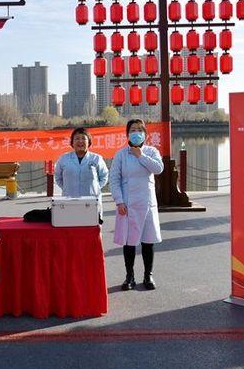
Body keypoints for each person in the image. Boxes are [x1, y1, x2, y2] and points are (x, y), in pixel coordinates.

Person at [110, 119, 164, 291]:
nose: (136, 133)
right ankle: (130, 276)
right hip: (128, 203)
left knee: (148, 241)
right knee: (129, 241)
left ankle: (148, 275)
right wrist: (119, 201)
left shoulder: (151, 151)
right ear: (127, 134)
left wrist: (140, 155)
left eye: (139, 130)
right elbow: (114, 180)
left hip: (146, 202)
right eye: (133, 130)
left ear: (145, 134)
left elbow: (158, 169)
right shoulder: (121, 155)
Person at [55, 127, 109, 222]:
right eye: (77, 138)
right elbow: (58, 177)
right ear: (72, 142)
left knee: (92, 228)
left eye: (83, 138)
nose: (80, 141)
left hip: (92, 202)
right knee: (70, 227)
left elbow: (104, 176)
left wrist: (95, 188)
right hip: (69, 201)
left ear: (89, 142)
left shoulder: (96, 158)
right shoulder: (64, 159)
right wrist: (67, 188)